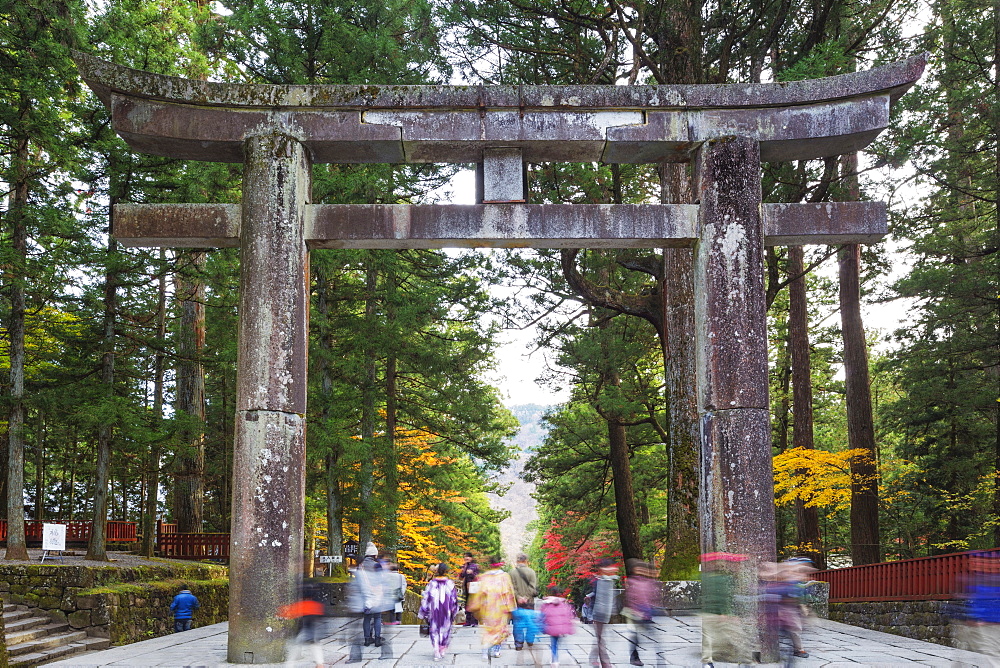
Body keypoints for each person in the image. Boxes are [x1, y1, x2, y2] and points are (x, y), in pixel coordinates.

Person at [467, 555, 516, 660]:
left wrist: (476, 606)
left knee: (487, 629)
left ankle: (485, 650)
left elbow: (479, 593)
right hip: (500, 608)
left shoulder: (484, 576)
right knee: (500, 629)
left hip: (487, 607)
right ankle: (496, 650)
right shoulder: (504, 576)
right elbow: (509, 593)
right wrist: (511, 608)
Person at [418, 562, 459, 662]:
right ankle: (442, 649)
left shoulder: (432, 584)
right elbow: (454, 600)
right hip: (446, 612)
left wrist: (423, 612)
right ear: (446, 571)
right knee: (445, 631)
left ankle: (436, 651)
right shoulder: (450, 584)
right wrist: (454, 612)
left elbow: (427, 599)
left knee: (435, 631)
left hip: (434, 612)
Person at [622, 559, 658, 666]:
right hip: (633, 613)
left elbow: (649, 598)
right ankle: (634, 657)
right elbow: (629, 598)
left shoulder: (648, 583)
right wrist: (635, 610)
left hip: (645, 612)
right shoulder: (632, 582)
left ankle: (659, 659)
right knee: (634, 636)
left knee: (652, 635)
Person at [588, 558, 619, 668]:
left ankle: (593, 658)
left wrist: (613, 612)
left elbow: (611, 598)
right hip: (598, 613)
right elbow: (596, 596)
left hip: (606, 613)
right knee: (600, 639)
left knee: (599, 638)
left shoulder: (609, 580)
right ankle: (605, 663)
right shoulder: (599, 581)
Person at [540, 585, 575, 668]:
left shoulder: (546, 604)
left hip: (552, 629)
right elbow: (568, 616)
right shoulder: (563, 604)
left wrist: (542, 627)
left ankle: (554, 661)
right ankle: (562, 658)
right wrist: (569, 629)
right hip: (561, 629)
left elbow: (542, 616)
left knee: (554, 644)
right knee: (559, 642)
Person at [510, 552, 539, 650]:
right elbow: (532, 586)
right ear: (526, 561)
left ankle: (519, 644)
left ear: (517, 561)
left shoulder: (512, 573)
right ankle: (530, 640)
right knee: (531, 621)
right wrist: (526, 597)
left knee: (517, 622)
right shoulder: (531, 572)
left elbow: (511, 587)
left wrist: (518, 597)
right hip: (529, 601)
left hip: (516, 602)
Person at [459, 551, 480, 627]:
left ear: (471, 558)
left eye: (468, 556)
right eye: (465, 556)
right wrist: (462, 571)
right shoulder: (464, 566)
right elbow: (461, 576)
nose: (466, 558)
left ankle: (475, 621)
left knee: (474, 603)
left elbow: (478, 575)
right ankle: (468, 621)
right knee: (467, 603)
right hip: (466, 587)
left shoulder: (475, 566)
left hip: (474, 586)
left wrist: (472, 573)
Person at [385, 561, 407, 625]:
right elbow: (404, 585)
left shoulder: (388, 576)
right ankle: (398, 621)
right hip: (398, 594)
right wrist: (402, 592)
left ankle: (392, 621)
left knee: (391, 610)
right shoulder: (401, 576)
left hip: (391, 594)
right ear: (398, 569)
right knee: (399, 609)